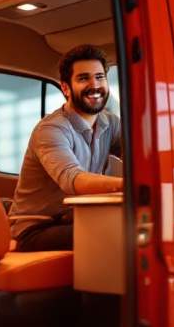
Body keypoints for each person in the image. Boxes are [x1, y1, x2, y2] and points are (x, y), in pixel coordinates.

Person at [8, 44, 122, 251]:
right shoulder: (51, 129)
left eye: (99, 77)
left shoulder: (110, 122)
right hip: (35, 229)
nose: (94, 85)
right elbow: (73, 179)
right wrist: (127, 185)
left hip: (73, 218)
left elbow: (143, 153)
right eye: (83, 78)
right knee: (117, 232)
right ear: (66, 88)